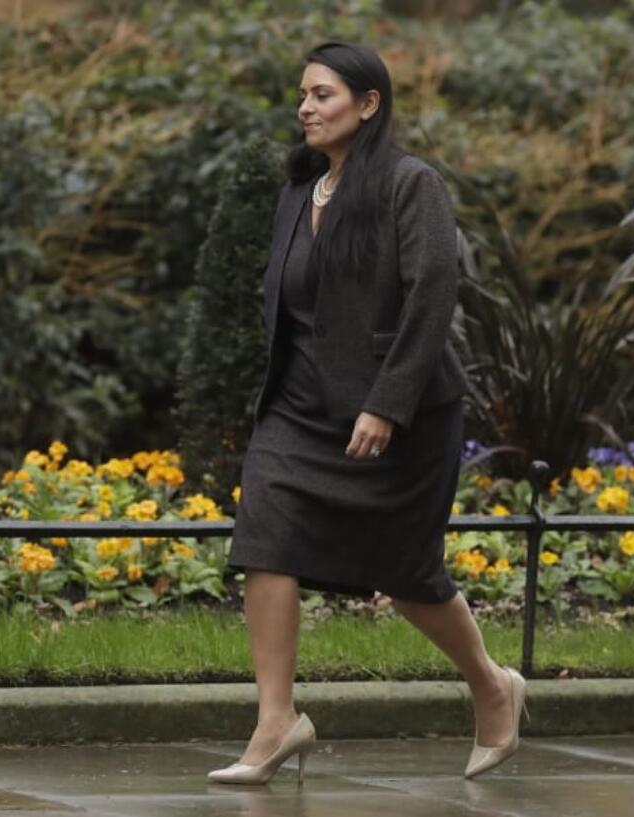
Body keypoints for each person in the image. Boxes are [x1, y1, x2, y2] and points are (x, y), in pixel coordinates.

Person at [208, 41, 528, 786]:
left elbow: (432, 299)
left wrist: (386, 402)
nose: (306, 108)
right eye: (303, 96)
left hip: (403, 413)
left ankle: (490, 684)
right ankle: (276, 719)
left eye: (322, 95)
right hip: (299, 404)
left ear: (369, 103)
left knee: (407, 574)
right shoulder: (301, 189)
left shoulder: (410, 185)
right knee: (265, 536)